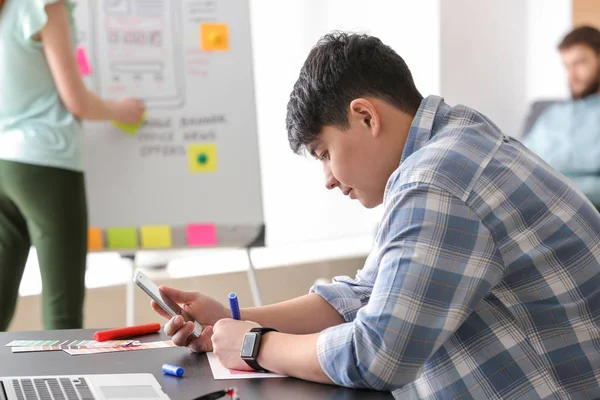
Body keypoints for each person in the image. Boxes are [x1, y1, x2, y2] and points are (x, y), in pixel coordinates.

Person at [152, 32, 600, 399]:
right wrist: (233, 319)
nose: (327, 178)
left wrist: (253, 344)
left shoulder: (435, 181)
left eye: (325, 153)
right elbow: (368, 293)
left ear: (365, 116)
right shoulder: (455, 138)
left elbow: (378, 355)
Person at [0, 0, 145, 331]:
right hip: (47, 165)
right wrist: (118, 110)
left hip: (5, 164)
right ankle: (62, 384)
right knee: (62, 309)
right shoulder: (43, 7)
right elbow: (76, 101)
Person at [523, 26, 600, 209]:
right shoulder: (552, 114)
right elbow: (520, 158)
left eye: (580, 63)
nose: (571, 75)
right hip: (534, 198)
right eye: (566, 65)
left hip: (579, 205)